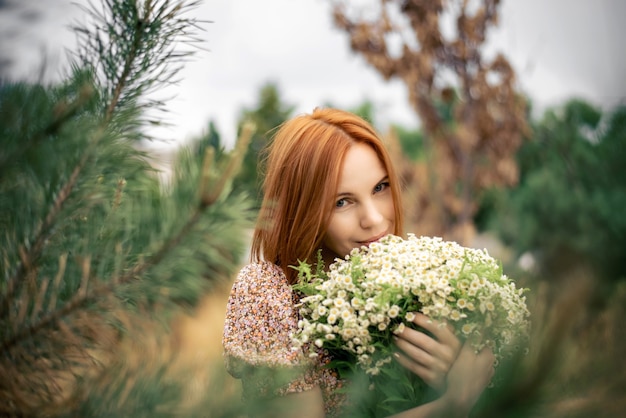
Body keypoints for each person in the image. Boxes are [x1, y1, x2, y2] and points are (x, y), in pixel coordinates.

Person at [222, 108, 495, 418]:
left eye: (380, 187)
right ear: (303, 210)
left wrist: (452, 378)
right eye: (342, 202)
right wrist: (452, 404)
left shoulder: (415, 280)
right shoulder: (269, 293)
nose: (375, 219)